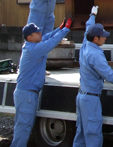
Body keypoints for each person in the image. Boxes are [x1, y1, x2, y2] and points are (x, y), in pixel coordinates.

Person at [73, 6, 113, 147]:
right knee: (93, 133)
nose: (105, 38)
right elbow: (107, 73)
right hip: (91, 99)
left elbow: (88, 27)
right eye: (103, 36)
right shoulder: (95, 54)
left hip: (82, 96)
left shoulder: (86, 44)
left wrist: (92, 15)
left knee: (81, 132)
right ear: (96, 39)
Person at [11, 17, 73, 147]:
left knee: (23, 126)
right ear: (30, 37)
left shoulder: (32, 45)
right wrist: (66, 29)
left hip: (26, 93)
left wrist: (60, 28)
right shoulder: (34, 49)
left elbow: (47, 37)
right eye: (37, 33)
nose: (40, 33)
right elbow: (51, 42)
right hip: (27, 94)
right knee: (24, 127)